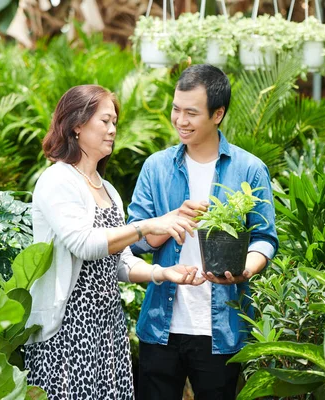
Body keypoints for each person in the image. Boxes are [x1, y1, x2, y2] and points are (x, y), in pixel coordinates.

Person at [24, 84, 207, 400]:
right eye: (105, 121)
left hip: (107, 328)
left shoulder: (107, 190)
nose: (112, 130)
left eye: (114, 123)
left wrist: (163, 273)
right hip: (68, 329)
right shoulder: (57, 180)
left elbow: (120, 262)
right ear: (77, 125)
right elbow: (84, 243)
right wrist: (148, 225)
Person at [127, 64, 279, 400]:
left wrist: (244, 271)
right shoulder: (156, 166)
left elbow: (264, 238)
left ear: (217, 114)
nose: (180, 121)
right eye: (176, 109)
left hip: (222, 327)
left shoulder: (249, 169)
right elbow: (136, 240)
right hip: (160, 325)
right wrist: (170, 220)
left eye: (191, 113)